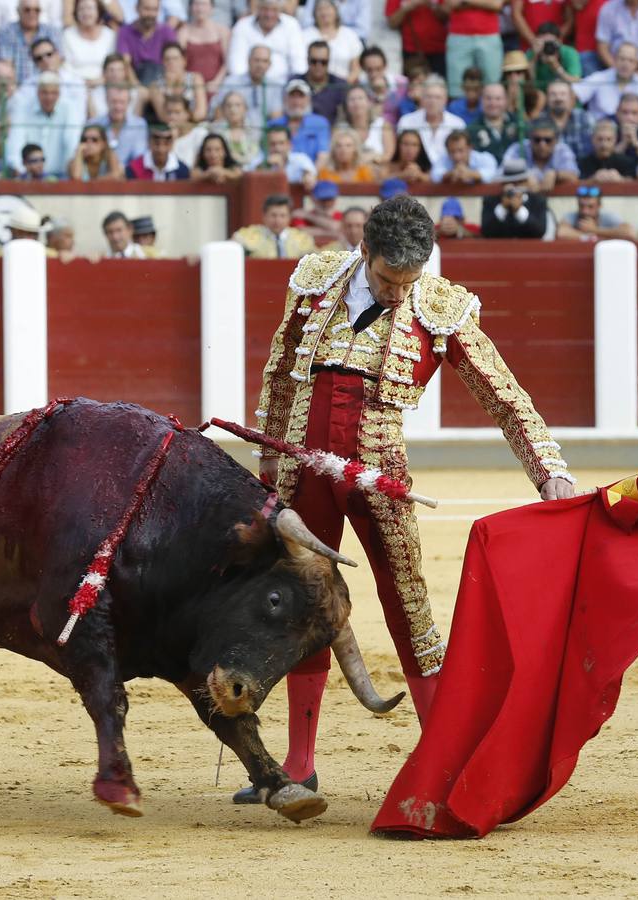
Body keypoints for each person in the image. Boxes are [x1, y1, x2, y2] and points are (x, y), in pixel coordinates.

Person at [238, 194, 575, 803]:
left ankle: (445, 762)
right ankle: (298, 764)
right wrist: (268, 459)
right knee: (299, 606)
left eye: (409, 281)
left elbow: (503, 395)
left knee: (409, 607)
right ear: (364, 251)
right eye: (390, 279)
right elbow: (281, 368)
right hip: (302, 472)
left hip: (380, 475)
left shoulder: (439, 306)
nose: (399, 293)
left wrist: (547, 468)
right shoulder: (316, 280)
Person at [7, 72, 81, 177]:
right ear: (37, 92)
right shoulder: (23, 108)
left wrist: (71, 171)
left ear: (59, 93)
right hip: (29, 176)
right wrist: (21, 171)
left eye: (53, 93)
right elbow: (16, 142)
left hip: (61, 175)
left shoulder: (69, 108)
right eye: (45, 92)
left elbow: (71, 142)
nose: (49, 97)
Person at [226, 0, 305, 85]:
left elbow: (299, 62)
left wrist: (294, 83)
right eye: (265, 9)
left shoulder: (291, 25)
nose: (269, 15)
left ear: (279, 10)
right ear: (258, 9)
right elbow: (237, 66)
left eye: (274, 10)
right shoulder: (242, 26)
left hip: (283, 86)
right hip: (248, 84)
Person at [396, 74, 466, 166]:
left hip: (447, 175)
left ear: (445, 100)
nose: (432, 101)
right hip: (414, 172)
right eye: (428, 97)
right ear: (422, 98)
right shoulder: (406, 122)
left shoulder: (458, 124)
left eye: (437, 97)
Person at [575, 40, 638, 118]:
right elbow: (573, 93)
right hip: (600, 128)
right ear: (615, 59)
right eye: (622, 59)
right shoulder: (599, 78)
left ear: (637, 64)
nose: (625, 64)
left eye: (631, 61)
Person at [446, 0, 504, 97]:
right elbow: (451, 4)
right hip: (459, 35)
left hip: (489, 34)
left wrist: (466, 2)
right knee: (457, 87)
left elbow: (496, 4)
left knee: (492, 85)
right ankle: (457, 111)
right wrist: (483, 4)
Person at [231, 193, 318, 257]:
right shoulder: (250, 235)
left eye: (282, 216)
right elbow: (232, 246)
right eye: (273, 215)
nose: (278, 220)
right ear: (264, 216)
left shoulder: (301, 238)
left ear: (289, 217)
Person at [502, 117, 579, 186]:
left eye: (548, 140)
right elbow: (500, 175)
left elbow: (574, 176)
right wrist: (523, 177)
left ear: (556, 140)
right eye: (537, 140)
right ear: (530, 139)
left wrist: (556, 175)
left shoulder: (562, 150)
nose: (542, 144)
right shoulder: (518, 148)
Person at [0, 0, 57, 82]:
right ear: (18, 11)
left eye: (36, 10)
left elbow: (56, 64)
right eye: (27, 10)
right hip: (16, 88)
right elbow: (5, 65)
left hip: (46, 88)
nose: (32, 14)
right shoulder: (6, 32)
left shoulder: (51, 32)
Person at [270, 78, 332, 160]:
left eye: (301, 96)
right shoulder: (273, 125)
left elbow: (323, 155)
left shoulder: (320, 123)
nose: (296, 101)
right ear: (285, 99)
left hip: (313, 171)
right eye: (292, 96)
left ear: (308, 99)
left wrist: (311, 173)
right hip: (280, 171)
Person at [118, 0, 179, 83]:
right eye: (147, 9)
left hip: (162, 81)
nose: (151, 14)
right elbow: (125, 63)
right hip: (136, 80)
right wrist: (137, 87)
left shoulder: (166, 31)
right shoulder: (125, 32)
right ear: (137, 8)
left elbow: (174, 61)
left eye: (155, 10)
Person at [387, 0, 449, 78]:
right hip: (411, 50)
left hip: (439, 50)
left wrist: (432, 5)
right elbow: (392, 23)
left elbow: (448, 17)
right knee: (413, 85)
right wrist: (406, 8)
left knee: (438, 85)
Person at [556, 184, 636, 240]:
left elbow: (629, 232)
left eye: (590, 207)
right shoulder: (571, 216)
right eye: (581, 206)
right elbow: (561, 232)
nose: (585, 211)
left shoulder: (608, 217)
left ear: (599, 206)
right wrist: (588, 237)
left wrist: (594, 230)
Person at [178, 0, 228, 85]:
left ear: (211, 8)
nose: (200, 8)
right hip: (190, 86)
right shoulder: (183, 33)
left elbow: (227, 63)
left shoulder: (223, 32)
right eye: (196, 4)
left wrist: (216, 83)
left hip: (218, 86)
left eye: (204, 4)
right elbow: (179, 63)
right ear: (190, 7)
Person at [251, 124, 318, 185]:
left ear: (289, 144)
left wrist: (308, 177)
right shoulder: (259, 160)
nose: (277, 148)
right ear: (267, 145)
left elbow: (311, 177)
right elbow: (248, 178)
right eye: (272, 144)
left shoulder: (301, 159)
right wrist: (264, 165)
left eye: (281, 143)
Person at [125, 120, 190, 178]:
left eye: (166, 143)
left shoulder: (182, 171)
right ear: (149, 142)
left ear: (171, 144)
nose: (161, 149)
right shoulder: (134, 169)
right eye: (156, 143)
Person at [431, 127, 497, 182]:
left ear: (470, 148)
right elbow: (435, 176)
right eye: (452, 151)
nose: (457, 156)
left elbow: (490, 173)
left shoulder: (485, 158)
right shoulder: (442, 159)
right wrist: (451, 174)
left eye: (460, 150)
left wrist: (470, 174)